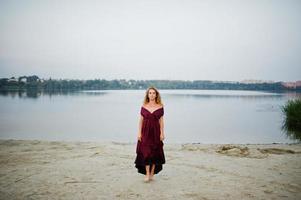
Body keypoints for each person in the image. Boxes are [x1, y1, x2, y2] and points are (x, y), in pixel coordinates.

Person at [134, 86, 166, 182]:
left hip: (156, 132)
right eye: (150, 93)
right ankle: (147, 173)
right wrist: (139, 133)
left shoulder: (160, 106)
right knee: (146, 152)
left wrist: (162, 133)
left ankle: (152, 173)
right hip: (145, 132)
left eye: (153, 93)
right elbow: (140, 121)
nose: (152, 95)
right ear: (147, 95)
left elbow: (161, 121)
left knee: (155, 153)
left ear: (156, 95)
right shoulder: (144, 106)